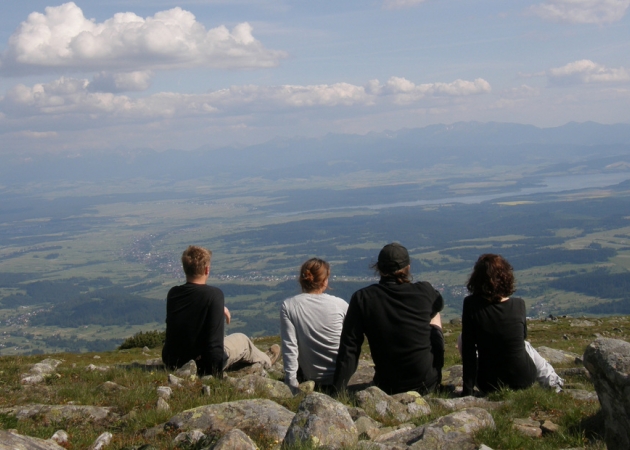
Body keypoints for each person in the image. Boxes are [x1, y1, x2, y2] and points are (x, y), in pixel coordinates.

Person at [333, 243, 444, 395]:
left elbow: (350, 347)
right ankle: (437, 376)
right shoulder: (425, 290)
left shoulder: (363, 298)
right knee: (435, 315)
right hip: (426, 382)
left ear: (378, 268)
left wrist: (337, 389)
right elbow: (439, 304)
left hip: (388, 385)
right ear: (408, 268)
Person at [162, 245, 280, 376]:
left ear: (185, 269)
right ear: (207, 269)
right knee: (243, 340)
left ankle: (261, 357)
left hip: (173, 361)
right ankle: (267, 360)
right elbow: (214, 346)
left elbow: (191, 310)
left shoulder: (173, 293)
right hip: (205, 365)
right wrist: (215, 368)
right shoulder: (214, 294)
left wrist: (218, 308)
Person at [461, 253, 564, 396]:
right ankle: (553, 382)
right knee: (525, 345)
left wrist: (467, 391)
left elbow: (468, 350)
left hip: (489, 384)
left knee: (463, 339)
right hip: (524, 380)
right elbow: (522, 336)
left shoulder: (471, 305)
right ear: (506, 277)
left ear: (476, 278)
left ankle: (552, 381)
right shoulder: (519, 304)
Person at [280, 258, 348, 394]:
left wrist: (291, 383)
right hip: (340, 376)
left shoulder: (289, 305)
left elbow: (290, 346)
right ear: (324, 281)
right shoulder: (341, 305)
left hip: (311, 376)